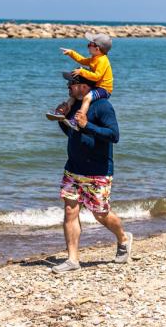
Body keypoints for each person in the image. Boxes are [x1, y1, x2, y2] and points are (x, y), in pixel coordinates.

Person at [51, 72, 132, 274]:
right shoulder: (75, 105)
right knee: (70, 211)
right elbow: (73, 132)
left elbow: (114, 135)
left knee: (100, 214)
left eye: (72, 83)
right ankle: (72, 260)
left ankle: (123, 238)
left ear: (85, 86)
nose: (68, 86)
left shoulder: (103, 106)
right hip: (73, 168)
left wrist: (87, 125)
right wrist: (62, 118)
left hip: (98, 170)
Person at [46, 32, 113, 131]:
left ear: (97, 48)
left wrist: (82, 72)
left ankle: (76, 120)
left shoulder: (102, 60)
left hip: (104, 88)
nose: (88, 46)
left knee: (87, 98)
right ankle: (61, 112)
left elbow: (97, 77)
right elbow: (82, 60)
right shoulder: (94, 58)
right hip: (96, 86)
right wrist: (71, 53)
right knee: (73, 97)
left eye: (90, 44)